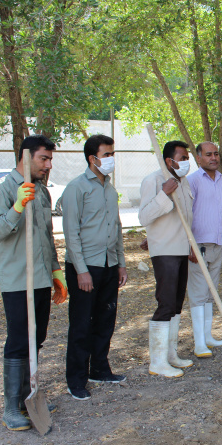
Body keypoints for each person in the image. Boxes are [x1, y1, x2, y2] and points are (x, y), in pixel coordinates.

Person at [0, 134, 67, 430]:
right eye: (43, 159)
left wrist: (56, 271)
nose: (48, 165)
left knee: (37, 337)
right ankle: (10, 408)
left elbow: (45, 236)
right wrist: (17, 207)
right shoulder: (2, 190)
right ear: (25, 157)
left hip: (41, 277)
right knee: (19, 340)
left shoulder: (42, 192)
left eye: (50, 159)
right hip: (18, 278)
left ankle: (27, 396)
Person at [62, 134, 128, 400]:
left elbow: (118, 228)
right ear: (93, 158)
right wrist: (81, 270)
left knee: (105, 321)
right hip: (85, 267)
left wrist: (121, 264)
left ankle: (99, 369)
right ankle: (76, 380)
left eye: (113, 154)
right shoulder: (76, 188)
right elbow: (71, 232)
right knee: (81, 325)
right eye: (107, 154)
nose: (111, 159)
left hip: (109, 265)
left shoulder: (110, 188)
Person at [138, 140, 196, 377]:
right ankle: (158, 361)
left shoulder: (184, 182)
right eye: (182, 158)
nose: (185, 162)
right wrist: (164, 193)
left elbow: (187, 217)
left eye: (186, 158)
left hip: (181, 249)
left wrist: (191, 244)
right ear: (168, 160)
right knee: (165, 303)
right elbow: (144, 216)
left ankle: (170, 354)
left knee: (176, 303)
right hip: (165, 250)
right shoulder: (153, 180)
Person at [187, 142, 222, 357]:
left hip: (217, 245)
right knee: (198, 294)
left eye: (216, 154)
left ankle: (208, 336)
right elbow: (185, 214)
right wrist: (189, 244)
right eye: (208, 154)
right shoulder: (192, 181)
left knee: (211, 293)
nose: (213, 158)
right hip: (198, 245)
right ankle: (199, 342)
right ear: (198, 158)